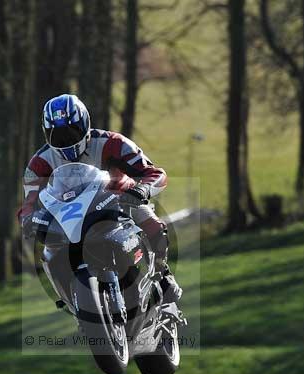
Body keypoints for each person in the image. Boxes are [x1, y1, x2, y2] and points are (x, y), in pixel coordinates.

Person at [17, 93, 182, 303]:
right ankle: (71, 300)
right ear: (46, 134)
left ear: (85, 124)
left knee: (154, 227)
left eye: (72, 132)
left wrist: (142, 190)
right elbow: (28, 203)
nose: (66, 141)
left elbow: (155, 173)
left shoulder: (112, 143)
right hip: (71, 216)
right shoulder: (39, 163)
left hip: (119, 201)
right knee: (50, 252)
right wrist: (28, 219)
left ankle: (163, 274)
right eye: (58, 136)